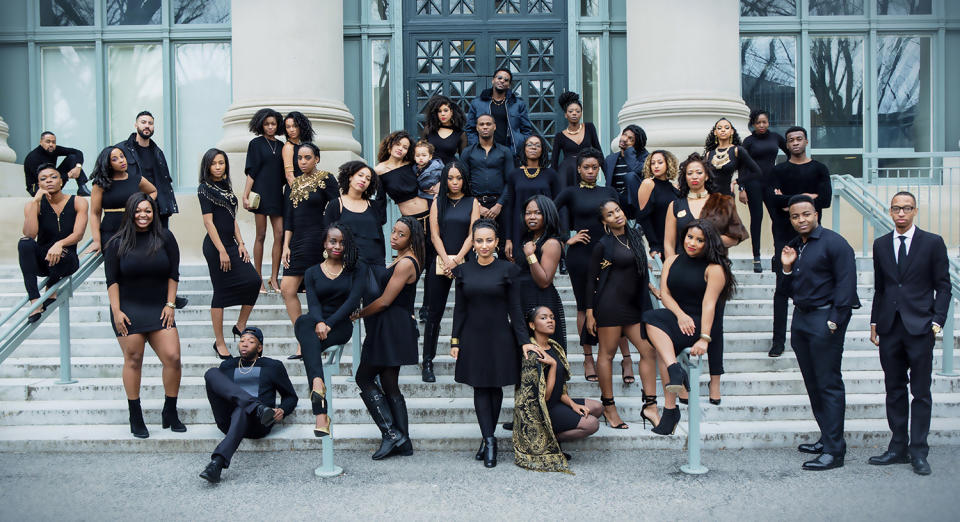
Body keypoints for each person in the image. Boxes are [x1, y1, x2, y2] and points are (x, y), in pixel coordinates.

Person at [868, 192, 951, 476]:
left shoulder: (932, 243)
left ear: (915, 211)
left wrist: (937, 320)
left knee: (921, 392)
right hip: (890, 326)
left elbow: (944, 285)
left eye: (906, 208)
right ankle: (897, 447)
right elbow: (881, 287)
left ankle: (919, 451)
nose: (901, 213)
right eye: (896, 209)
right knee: (893, 389)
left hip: (920, 327)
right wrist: (874, 322)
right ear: (890, 212)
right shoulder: (880, 245)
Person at [450, 219, 539, 468]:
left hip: (501, 336)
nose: (484, 245)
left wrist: (524, 341)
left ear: (497, 242)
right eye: (479, 241)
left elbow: (515, 308)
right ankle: (490, 440)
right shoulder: (463, 271)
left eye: (489, 240)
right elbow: (460, 309)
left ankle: (487, 437)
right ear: (473, 243)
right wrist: (455, 340)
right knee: (480, 387)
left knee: (495, 387)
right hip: (472, 336)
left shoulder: (507, 270)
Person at [780, 195, 860, 471]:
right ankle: (827, 438)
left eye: (806, 214)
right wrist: (787, 268)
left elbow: (847, 287)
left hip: (825, 319)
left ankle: (835, 451)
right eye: (795, 216)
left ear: (817, 214)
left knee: (828, 384)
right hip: (801, 318)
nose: (801, 220)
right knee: (813, 384)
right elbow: (785, 290)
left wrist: (835, 321)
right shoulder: (794, 246)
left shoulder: (835, 243)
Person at [663, 153, 748, 403]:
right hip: (682, 273)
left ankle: (715, 380)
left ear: (707, 175)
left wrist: (708, 242)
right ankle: (684, 381)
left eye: (699, 172)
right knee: (678, 324)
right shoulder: (675, 205)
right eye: (689, 173)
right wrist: (672, 268)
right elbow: (669, 243)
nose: (694, 177)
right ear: (684, 177)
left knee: (715, 327)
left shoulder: (722, 201)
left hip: (713, 271)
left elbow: (737, 235)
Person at [103, 192, 185, 439]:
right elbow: (112, 281)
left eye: (147, 211)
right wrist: (117, 311)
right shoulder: (117, 243)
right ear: (130, 212)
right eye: (138, 211)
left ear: (154, 213)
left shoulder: (165, 238)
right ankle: (135, 415)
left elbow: (174, 274)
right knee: (134, 358)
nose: (143, 215)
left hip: (159, 306)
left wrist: (170, 304)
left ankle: (169, 411)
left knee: (173, 357)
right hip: (128, 308)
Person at [643, 220, 735, 435]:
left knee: (661, 344)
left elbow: (709, 305)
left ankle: (670, 410)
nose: (692, 243)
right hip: (677, 317)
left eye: (699, 240)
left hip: (697, 324)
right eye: (689, 237)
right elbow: (664, 294)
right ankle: (675, 371)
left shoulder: (715, 269)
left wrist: (704, 338)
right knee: (651, 317)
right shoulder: (672, 260)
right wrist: (680, 315)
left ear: (708, 243)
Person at [352, 216, 425, 460]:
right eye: (393, 231)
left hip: (391, 327)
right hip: (392, 326)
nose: (394, 236)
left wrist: (357, 314)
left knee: (363, 376)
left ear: (412, 238)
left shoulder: (406, 263)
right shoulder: (401, 259)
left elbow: (384, 301)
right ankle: (403, 442)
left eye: (401, 234)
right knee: (390, 382)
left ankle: (391, 434)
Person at [584, 199, 661, 430]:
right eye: (609, 214)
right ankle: (609, 407)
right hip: (609, 305)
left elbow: (638, 272)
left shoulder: (636, 237)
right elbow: (590, 280)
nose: (616, 215)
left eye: (617, 210)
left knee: (648, 350)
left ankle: (650, 405)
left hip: (634, 307)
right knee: (607, 355)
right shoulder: (603, 245)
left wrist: (653, 289)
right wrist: (589, 312)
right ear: (604, 221)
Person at [199, 327, 298, 484]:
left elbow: (291, 397)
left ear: (259, 348)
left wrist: (283, 410)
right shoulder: (227, 366)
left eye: (251, 342)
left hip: (259, 424)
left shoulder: (273, 366)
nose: (244, 344)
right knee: (211, 373)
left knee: (242, 409)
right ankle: (257, 407)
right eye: (242, 341)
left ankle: (216, 463)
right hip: (228, 422)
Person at [553, 148, 619, 382]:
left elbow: (619, 219)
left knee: (608, 305)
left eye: (594, 167)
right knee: (583, 306)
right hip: (580, 255)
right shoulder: (570, 193)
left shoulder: (609, 191)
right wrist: (565, 239)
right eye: (586, 168)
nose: (591, 171)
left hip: (607, 254)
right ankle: (588, 357)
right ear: (579, 169)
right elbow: (547, 211)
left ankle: (606, 356)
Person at [766, 126, 832, 357]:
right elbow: (773, 202)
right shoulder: (779, 170)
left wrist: (789, 201)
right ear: (786, 144)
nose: (795, 143)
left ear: (806, 141)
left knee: (815, 283)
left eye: (799, 139)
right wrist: (808, 198)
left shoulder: (819, 169)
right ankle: (778, 341)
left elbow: (825, 199)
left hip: (813, 237)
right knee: (781, 289)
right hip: (784, 235)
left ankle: (815, 335)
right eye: (790, 140)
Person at [294, 223, 365, 438]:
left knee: (308, 344)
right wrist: (319, 322)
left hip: (340, 325)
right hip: (316, 325)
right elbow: (313, 303)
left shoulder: (356, 269)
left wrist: (329, 324)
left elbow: (351, 302)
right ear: (325, 243)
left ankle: (318, 397)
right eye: (333, 241)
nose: (338, 246)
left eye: (342, 242)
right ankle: (319, 396)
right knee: (302, 322)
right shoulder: (312, 272)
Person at [513, 306, 603, 473]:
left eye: (552, 317)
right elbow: (544, 397)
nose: (550, 320)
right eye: (544, 317)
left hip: (556, 402)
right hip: (542, 411)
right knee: (592, 424)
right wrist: (553, 366)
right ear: (532, 325)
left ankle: (556, 433)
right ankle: (550, 439)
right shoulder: (532, 354)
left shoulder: (554, 347)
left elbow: (560, 388)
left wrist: (572, 404)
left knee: (597, 407)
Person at [198, 149, 261, 359]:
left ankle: (240, 324)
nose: (218, 166)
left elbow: (232, 219)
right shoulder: (204, 189)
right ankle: (219, 342)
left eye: (221, 163)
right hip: (216, 247)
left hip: (232, 245)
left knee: (253, 280)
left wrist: (241, 243)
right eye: (214, 163)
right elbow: (209, 222)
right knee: (220, 292)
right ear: (207, 166)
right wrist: (222, 251)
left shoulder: (225, 187)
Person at [280, 143, 340, 359]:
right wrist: (285, 245)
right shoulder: (292, 185)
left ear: (317, 158)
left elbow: (336, 209)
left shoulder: (326, 178)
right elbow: (289, 218)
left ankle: (317, 340)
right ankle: (303, 340)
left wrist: (331, 240)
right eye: (299, 158)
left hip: (318, 240)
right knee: (287, 289)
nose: (303, 162)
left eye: (307, 157)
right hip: (297, 241)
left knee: (316, 291)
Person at [423, 161, 480, 382]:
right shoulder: (438, 201)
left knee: (466, 310)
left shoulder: (472, 201)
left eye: (458, 178)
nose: (455, 183)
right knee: (434, 313)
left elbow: (472, 233)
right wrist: (446, 259)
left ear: (464, 179)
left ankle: (468, 359)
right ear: (445, 180)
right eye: (450, 178)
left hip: (465, 261)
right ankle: (427, 362)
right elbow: (434, 235)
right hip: (441, 260)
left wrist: (457, 259)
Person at [18, 165, 88, 322]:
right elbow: (30, 234)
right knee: (24, 243)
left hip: (67, 259)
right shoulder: (33, 205)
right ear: (38, 185)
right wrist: (35, 202)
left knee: (62, 254)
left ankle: (52, 285)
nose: (48, 180)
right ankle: (35, 301)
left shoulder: (78, 202)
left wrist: (60, 244)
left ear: (62, 181)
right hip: (44, 260)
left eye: (53, 177)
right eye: (43, 179)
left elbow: (78, 234)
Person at [242, 108, 286, 293]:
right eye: (267, 124)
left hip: (277, 194)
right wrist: (245, 194)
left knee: (280, 234)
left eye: (273, 124)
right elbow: (252, 172)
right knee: (261, 235)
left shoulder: (283, 145)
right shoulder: (256, 143)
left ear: (278, 125)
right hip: (260, 194)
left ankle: (274, 278)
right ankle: (257, 278)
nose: (270, 127)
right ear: (261, 124)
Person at [515, 196, 566, 350]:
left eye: (537, 213)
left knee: (542, 351)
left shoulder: (552, 243)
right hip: (523, 298)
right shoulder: (528, 239)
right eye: (528, 213)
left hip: (541, 301)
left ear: (547, 214)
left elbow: (544, 281)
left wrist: (530, 256)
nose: (531, 217)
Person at [741, 109, 788, 273]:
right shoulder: (748, 141)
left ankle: (778, 255)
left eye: (764, 122)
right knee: (757, 219)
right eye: (758, 122)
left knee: (778, 218)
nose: (761, 125)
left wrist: (783, 176)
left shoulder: (776, 138)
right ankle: (757, 258)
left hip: (771, 183)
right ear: (753, 124)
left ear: (768, 123)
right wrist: (742, 188)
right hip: (753, 184)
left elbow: (790, 155)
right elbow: (742, 166)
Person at [86, 146, 157, 254]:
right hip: (110, 232)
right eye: (114, 159)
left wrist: (141, 205)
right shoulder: (100, 184)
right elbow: (95, 214)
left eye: (122, 156)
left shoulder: (136, 179)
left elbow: (153, 191)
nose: (121, 160)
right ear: (108, 164)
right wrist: (96, 240)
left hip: (134, 229)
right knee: (113, 267)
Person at [459, 114, 514, 251]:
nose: (485, 127)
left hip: (500, 204)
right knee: (472, 243)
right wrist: (477, 205)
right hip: (475, 204)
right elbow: (463, 182)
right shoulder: (467, 152)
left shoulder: (505, 152)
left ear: (494, 127)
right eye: (481, 124)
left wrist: (499, 205)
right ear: (477, 128)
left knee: (503, 246)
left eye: (488, 124)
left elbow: (511, 181)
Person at [503, 135, 560, 261]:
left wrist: (560, 236)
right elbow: (510, 208)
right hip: (519, 229)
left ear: (542, 150)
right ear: (524, 149)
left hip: (544, 229)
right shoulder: (514, 175)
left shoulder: (551, 174)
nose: (533, 147)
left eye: (537, 145)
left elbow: (558, 207)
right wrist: (508, 239)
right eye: (529, 145)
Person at [115, 111, 177, 229]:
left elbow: (165, 181)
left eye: (150, 123)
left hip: (158, 209)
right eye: (143, 122)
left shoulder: (158, 152)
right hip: (135, 209)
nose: (147, 125)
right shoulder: (122, 149)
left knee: (161, 244)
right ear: (136, 125)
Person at [324, 161, 386, 268]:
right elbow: (327, 235)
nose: (363, 180)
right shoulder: (336, 204)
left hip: (375, 263)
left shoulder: (373, 206)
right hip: (347, 263)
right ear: (350, 177)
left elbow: (380, 237)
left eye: (368, 179)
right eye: (360, 175)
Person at [465, 67, 534, 157]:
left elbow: (526, 130)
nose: (502, 81)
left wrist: (519, 146)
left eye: (506, 80)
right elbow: (470, 129)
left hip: (510, 152)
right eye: (499, 78)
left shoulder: (517, 104)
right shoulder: (477, 103)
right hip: (485, 152)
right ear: (493, 80)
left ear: (509, 85)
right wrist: (477, 147)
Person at [551, 91, 603, 192]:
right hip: (566, 173)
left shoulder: (589, 127)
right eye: (571, 111)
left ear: (581, 113)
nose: (574, 113)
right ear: (566, 114)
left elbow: (599, 152)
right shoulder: (560, 136)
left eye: (578, 111)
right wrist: (553, 184)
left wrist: (607, 175)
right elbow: (554, 162)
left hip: (586, 169)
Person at [635, 150, 679, 259]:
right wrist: (654, 246)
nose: (656, 166)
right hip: (660, 243)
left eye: (660, 162)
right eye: (653, 163)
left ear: (668, 164)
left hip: (678, 241)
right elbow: (643, 218)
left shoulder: (675, 188)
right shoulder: (648, 184)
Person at [703, 117, 760, 198]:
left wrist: (736, 182)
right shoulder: (709, 154)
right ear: (715, 132)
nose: (723, 130)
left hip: (727, 197)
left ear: (732, 131)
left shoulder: (737, 150)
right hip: (709, 198)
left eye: (726, 128)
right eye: (719, 128)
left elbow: (757, 172)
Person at [23, 131, 90, 196]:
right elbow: (43, 179)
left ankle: (82, 187)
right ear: (41, 142)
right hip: (37, 187)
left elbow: (78, 152)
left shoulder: (54, 149)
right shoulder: (33, 157)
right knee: (47, 178)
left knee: (72, 157)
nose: (51, 144)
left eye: (53, 142)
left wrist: (78, 167)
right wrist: (68, 175)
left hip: (53, 180)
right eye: (48, 142)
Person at [602, 125, 648, 219]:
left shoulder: (645, 158)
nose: (624, 139)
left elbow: (635, 169)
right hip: (617, 201)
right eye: (624, 135)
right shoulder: (610, 159)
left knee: (630, 176)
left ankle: (639, 219)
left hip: (636, 202)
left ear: (636, 143)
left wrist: (630, 151)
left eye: (630, 138)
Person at [422, 95, 468, 165]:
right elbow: (420, 152)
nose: (442, 114)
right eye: (439, 111)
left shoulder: (460, 134)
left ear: (451, 112)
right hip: (431, 172)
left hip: (450, 172)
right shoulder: (429, 130)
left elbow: (464, 160)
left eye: (445, 110)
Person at [281, 111, 313, 182]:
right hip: (295, 190)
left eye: (295, 126)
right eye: (288, 127)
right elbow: (289, 176)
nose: (291, 130)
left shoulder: (303, 145)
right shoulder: (288, 147)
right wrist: (301, 192)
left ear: (301, 126)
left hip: (307, 187)